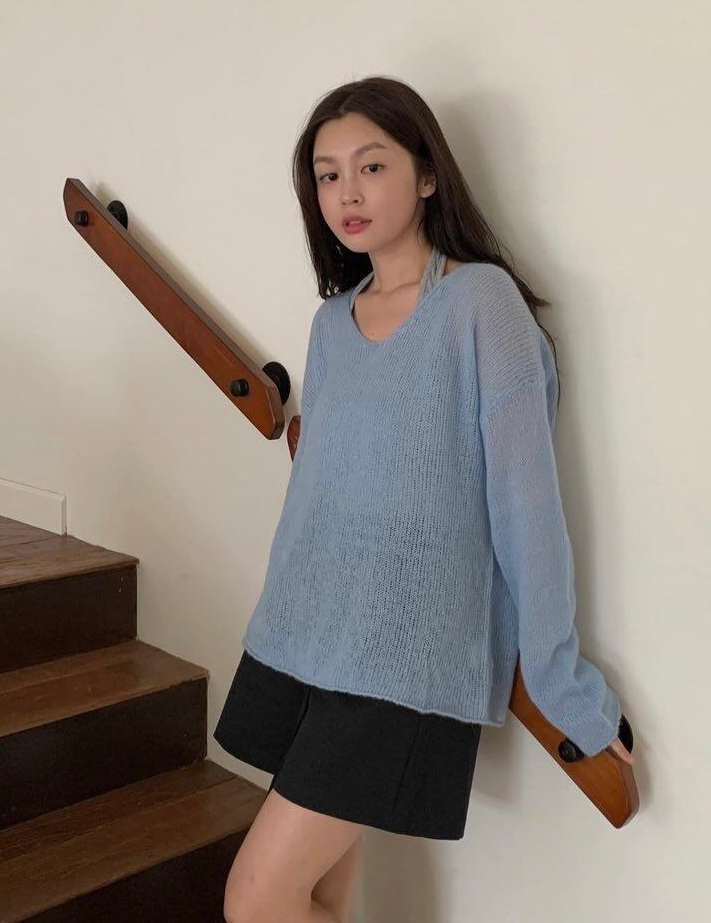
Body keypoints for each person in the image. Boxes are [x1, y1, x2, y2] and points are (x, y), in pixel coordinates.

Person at [214, 75, 634, 923]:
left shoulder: (480, 304)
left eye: (371, 166)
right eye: (327, 175)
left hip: (402, 662)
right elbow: (315, 496)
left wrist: (564, 688)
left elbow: (528, 513)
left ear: (428, 175)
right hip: (307, 636)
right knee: (318, 893)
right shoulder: (332, 322)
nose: (347, 193)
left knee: (255, 901)